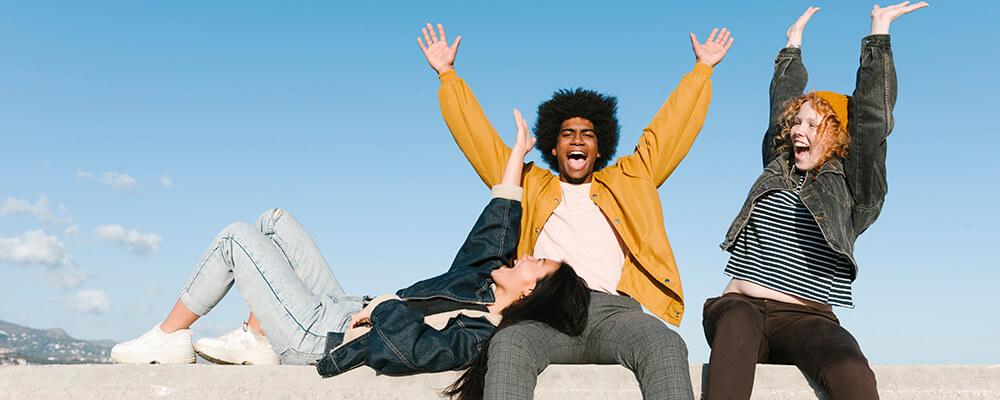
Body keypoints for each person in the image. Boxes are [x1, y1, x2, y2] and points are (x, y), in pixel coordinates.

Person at [111, 110, 591, 376]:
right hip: (341, 305)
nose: (526, 254)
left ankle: (169, 337)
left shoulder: (481, 336)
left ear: (530, 292)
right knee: (274, 220)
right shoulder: (481, 287)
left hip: (321, 338)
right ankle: (257, 339)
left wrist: (383, 311)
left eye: (538, 263)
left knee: (236, 238)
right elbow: (497, 228)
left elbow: (412, 352)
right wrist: (516, 155)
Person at [419, 23, 732, 399]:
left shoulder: (631, 177)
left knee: (664, 342)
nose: (578, 140)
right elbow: (481, 143)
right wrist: (448, 76)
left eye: (587, 134)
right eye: (567, 134)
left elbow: (668, 132)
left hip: (615, 311)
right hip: (546, 309)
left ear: (600, 149)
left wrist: (702, 70)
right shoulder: (531, 183)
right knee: (508, 344)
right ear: (554, 148)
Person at [701, 3, 927, 399]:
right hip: (741, 307)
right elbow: (779, 109)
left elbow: (872, 120)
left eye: (810, 124)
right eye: (796, 122)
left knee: (853, 371)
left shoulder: (852, 189)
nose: (796, 131)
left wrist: (878, 34)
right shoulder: (779, 166)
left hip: (808, 318)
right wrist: (792, 46)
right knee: (736, 322)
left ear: (837, 136)